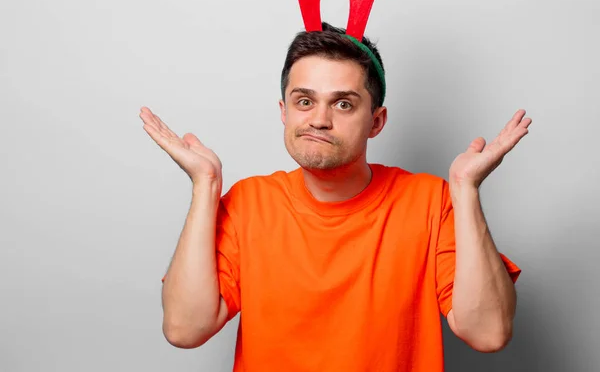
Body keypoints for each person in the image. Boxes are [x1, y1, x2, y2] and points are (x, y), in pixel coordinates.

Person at [139, 21, 532, 371]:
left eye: (343, 103)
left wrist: (465, 191)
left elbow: (489, 334)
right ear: (284, 111)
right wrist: (205, 186)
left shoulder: (433, 202)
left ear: (376, 121)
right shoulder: (247, 203)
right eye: (304, 101)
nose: (319, 119)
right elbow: (184, 328)